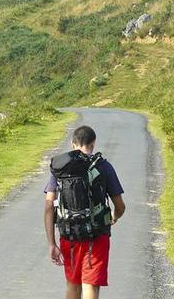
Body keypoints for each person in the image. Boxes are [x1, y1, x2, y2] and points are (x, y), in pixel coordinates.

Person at [44, 125, 126, 299]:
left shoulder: (61, 168)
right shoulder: (103, 166)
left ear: (72, 144)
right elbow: (120, 206)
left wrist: (51, 243)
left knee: (73, 285)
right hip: (97, 235)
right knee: (90, 285)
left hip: (69, 235)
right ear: (93, 143)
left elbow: (49, 206)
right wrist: (113, 216)